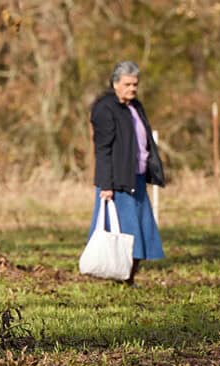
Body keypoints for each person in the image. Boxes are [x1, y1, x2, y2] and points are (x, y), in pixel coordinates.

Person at [89, 60, 165, 286]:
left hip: (137, 178)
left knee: (141, 232)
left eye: (135, 84)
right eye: (127, 84)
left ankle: (129, 278)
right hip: (117, 182)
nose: (132, 89)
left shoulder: (135, 106)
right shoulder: (105, 108)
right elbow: (103, 149)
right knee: (123, 233)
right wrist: (106, 185)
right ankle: (120, 277)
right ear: (115, 83)